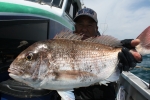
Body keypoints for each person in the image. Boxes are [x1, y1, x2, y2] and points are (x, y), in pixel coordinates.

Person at [71, 7, 142, 100]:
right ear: (75, 27)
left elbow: (116, 56)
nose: (84, 29)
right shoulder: (64, 46)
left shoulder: (106, 45)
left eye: (89, 25)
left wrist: (128, 61)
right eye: (80, 24)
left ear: (96, 28)